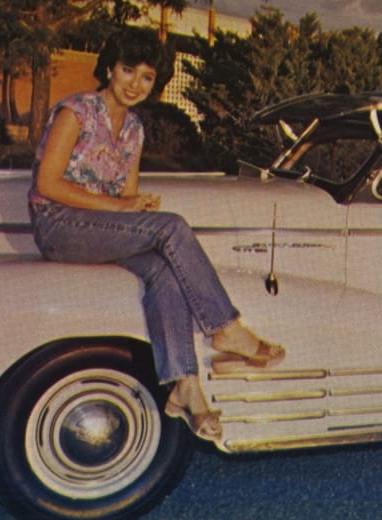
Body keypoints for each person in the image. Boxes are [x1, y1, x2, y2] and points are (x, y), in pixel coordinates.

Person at [27, 27, 284, 442]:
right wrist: (123, 209)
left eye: (146, 77)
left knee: (166, 269)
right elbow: (48, 184)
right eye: (128, 70)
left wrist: (134, 206)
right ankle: (223, 326)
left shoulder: (133, 129)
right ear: (109, 68)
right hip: (58, 226)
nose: (135, 84)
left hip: (100, 231)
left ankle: (185, 386)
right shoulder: (76, 111)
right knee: (173, 226)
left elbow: (126, 196)